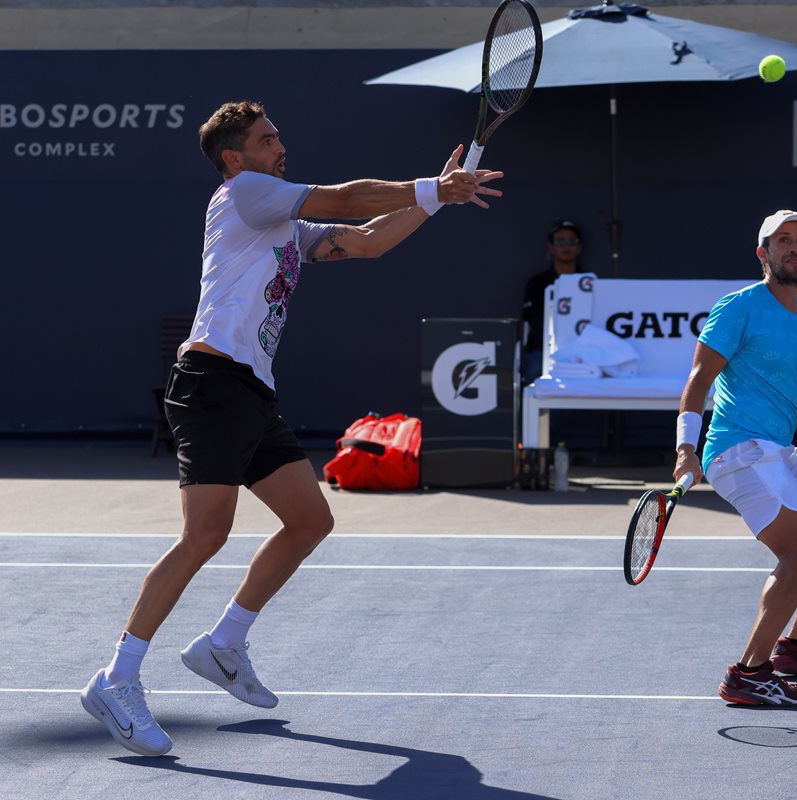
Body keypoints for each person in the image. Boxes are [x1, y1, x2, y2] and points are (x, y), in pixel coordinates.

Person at [80, 100, 504, 756]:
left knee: (309, 520)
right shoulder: (245, 194)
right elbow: (345, 198)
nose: (280, 147)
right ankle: (117, 678)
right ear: (235, 158)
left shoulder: (279, 222)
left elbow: (366, 239)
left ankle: (223, 644)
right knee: (205, 535)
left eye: (278, 137)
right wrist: (430, 186)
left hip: (251, 390)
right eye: (266, 139)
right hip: (212, 383)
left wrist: (436, 202)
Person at [673, 210, 797, 706]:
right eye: (783, 240)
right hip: (737, 450)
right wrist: (685, 450)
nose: (794, 247)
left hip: (781, 454)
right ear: (763, 254)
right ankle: (749, 673)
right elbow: (699, 380)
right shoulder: (738, 307)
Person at [520, 219, 583, 383]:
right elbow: (531, 323)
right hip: (543, 351)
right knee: (536, 371)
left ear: (579, 247)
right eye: (560, 241)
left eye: (572, 241)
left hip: (581, 351)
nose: (566, 246)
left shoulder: (588, 282)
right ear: (550, 247)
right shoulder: (537, 283)